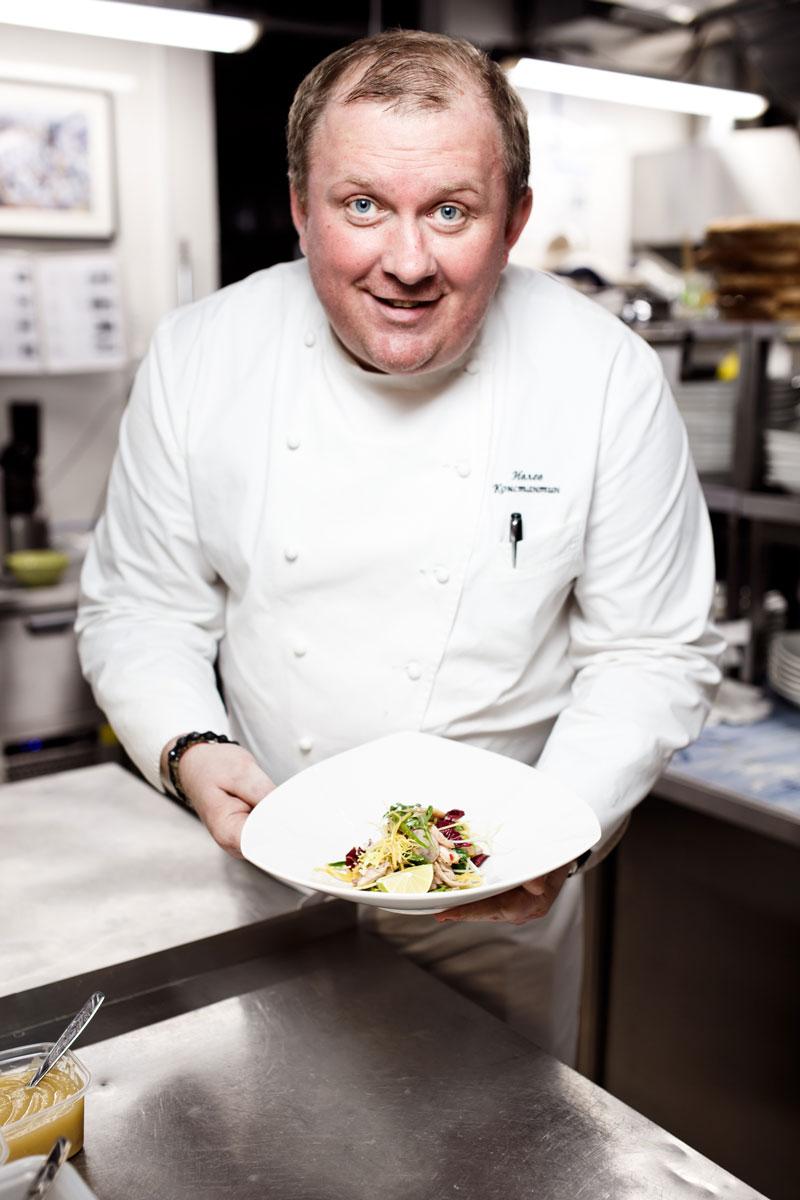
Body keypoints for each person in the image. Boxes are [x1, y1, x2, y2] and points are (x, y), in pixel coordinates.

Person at [76, 29, 723, 1065]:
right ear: (300, 208)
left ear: (514, 221)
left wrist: (555, 829)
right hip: (262, 881)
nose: (408, 263)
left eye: (452, 211)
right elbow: (142, 606)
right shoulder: (202, 357)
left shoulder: (604, 375)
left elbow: (650, 649)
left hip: (495, 916)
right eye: (362, 205)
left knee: (500, 1142)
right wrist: (190, 749)